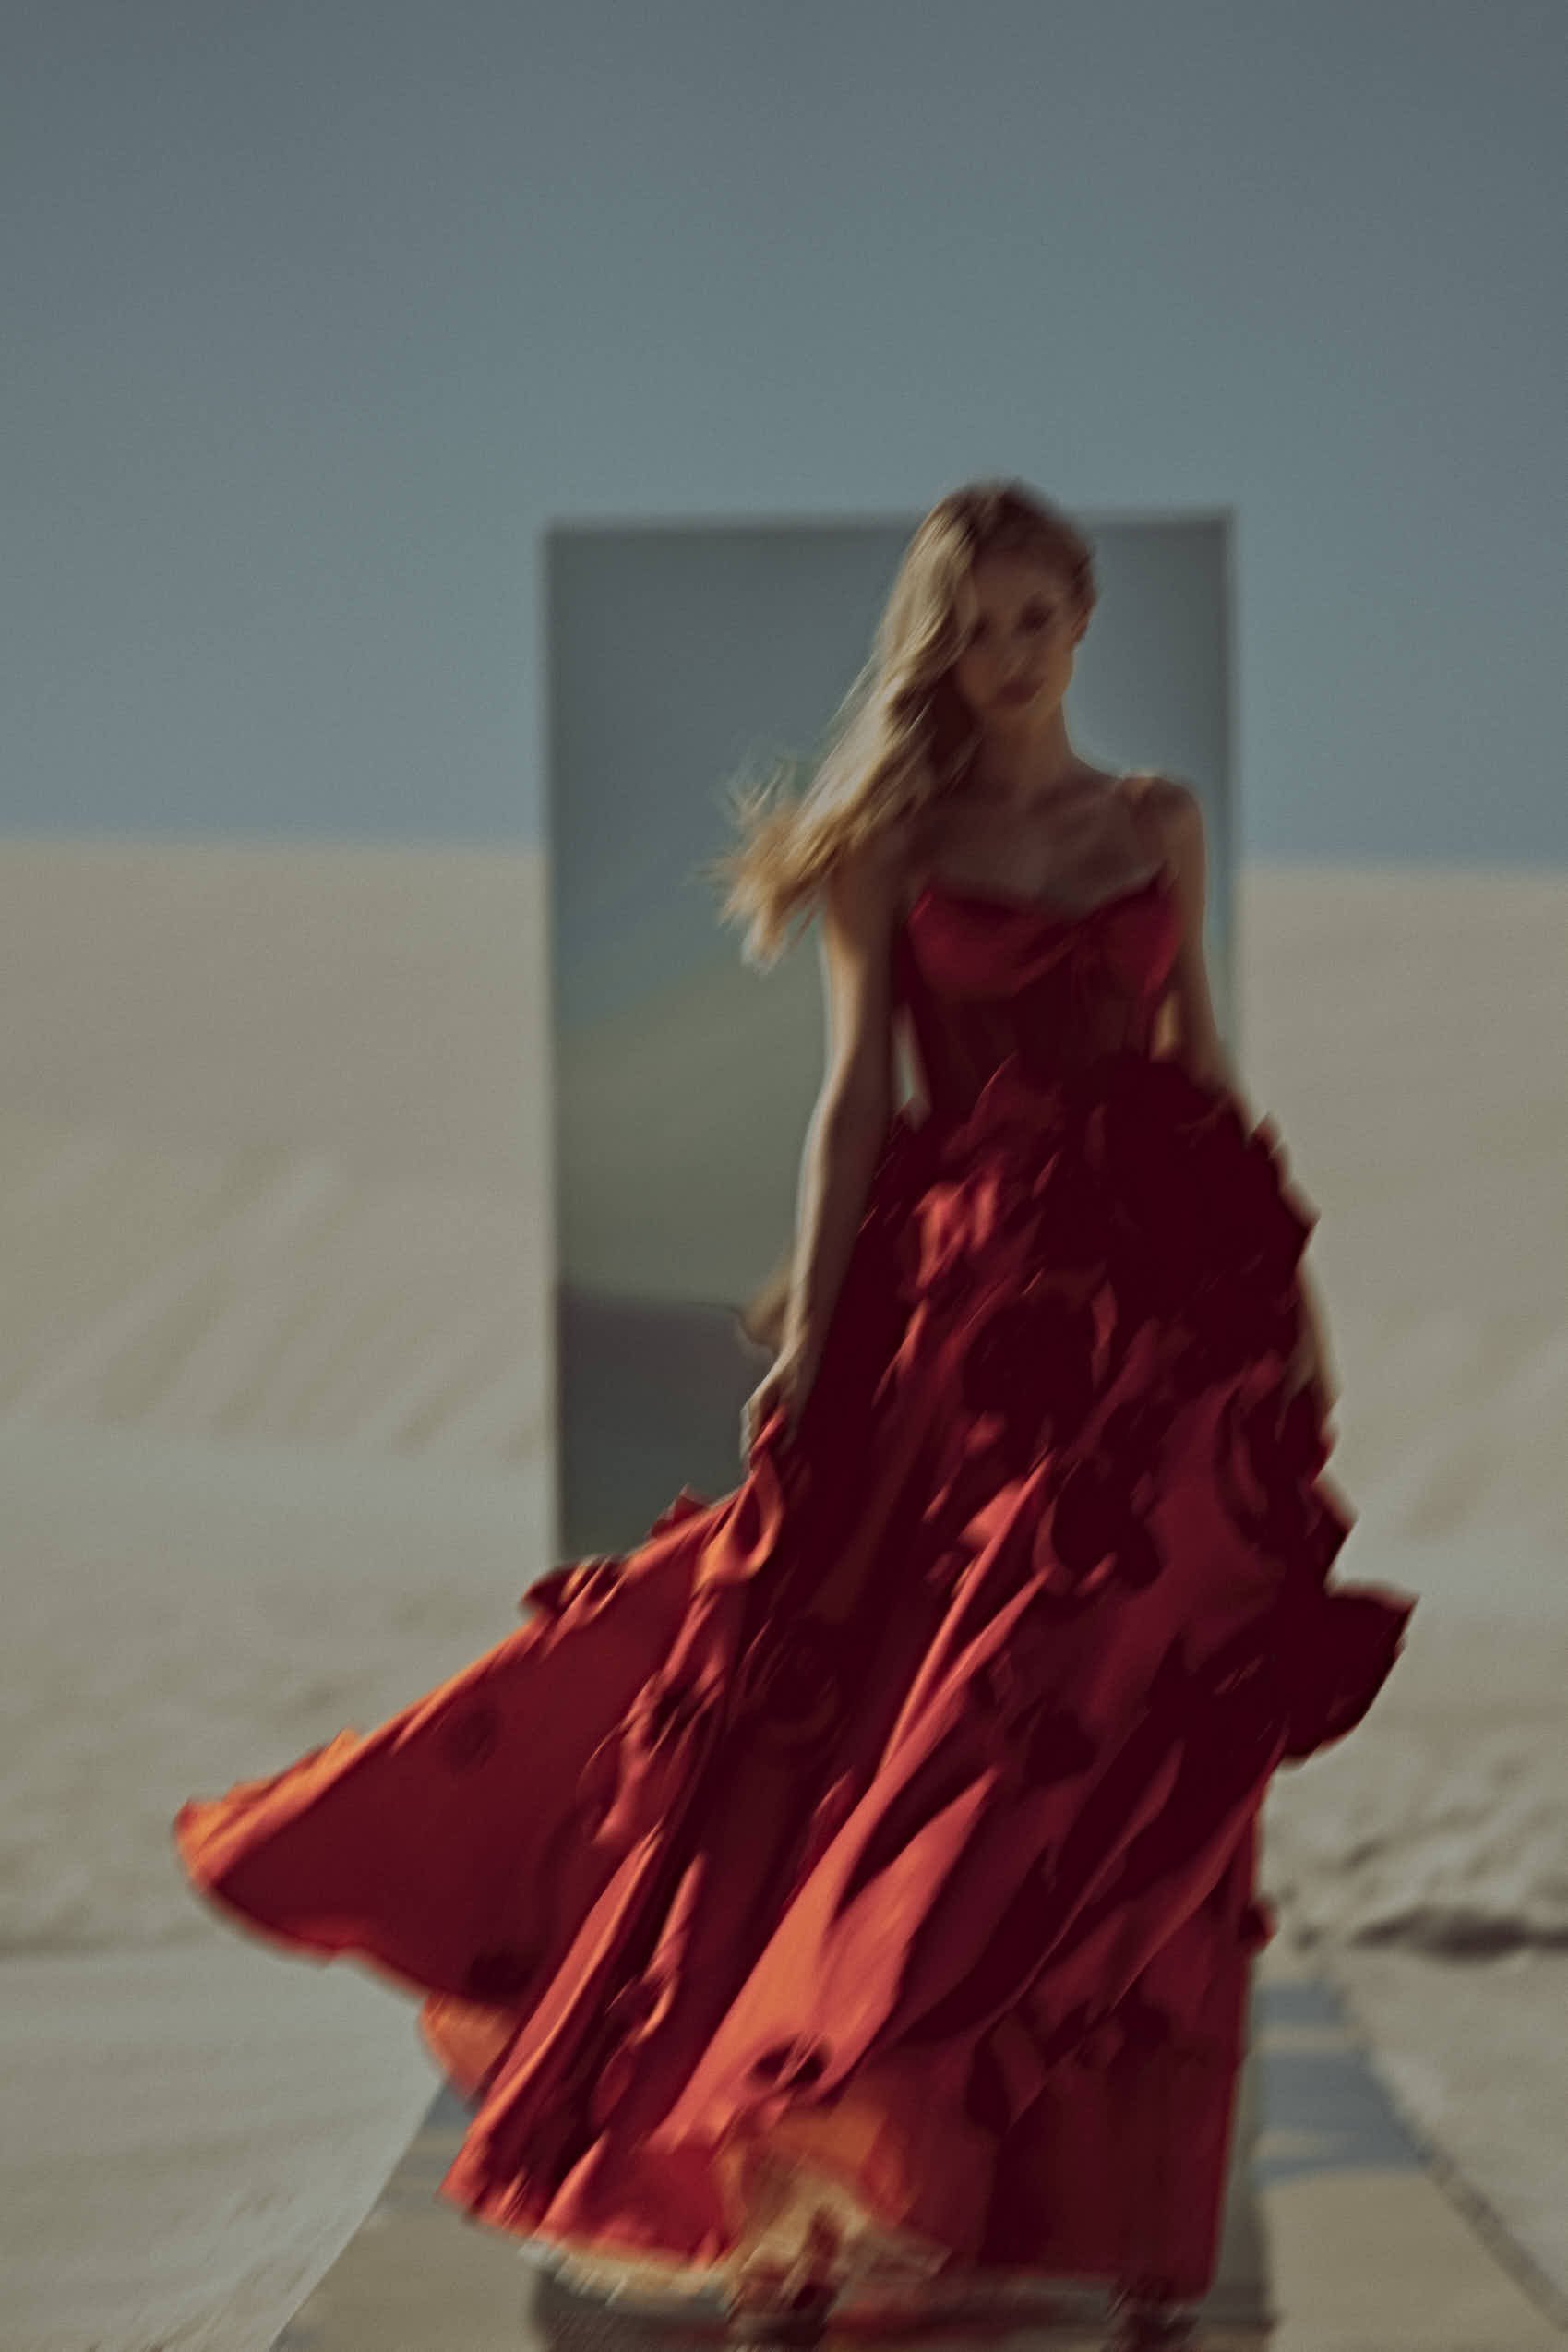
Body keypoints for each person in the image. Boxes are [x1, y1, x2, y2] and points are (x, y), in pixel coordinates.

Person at [173, 480, 1416, 2351]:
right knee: (927, 1732)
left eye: (1028, 618)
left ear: (1082, 618)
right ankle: (814, 2167)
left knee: (1142, 1728)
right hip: (974, 1322)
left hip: (1169, 1324)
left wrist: (1295, 1305)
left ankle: (1123, 2206)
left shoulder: (1157, 820)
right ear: (939, 641)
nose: (1001, 656)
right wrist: (814, 1330)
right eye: (969, 626)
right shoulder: (892, 845)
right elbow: (855, 1101)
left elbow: (1201, 1062)